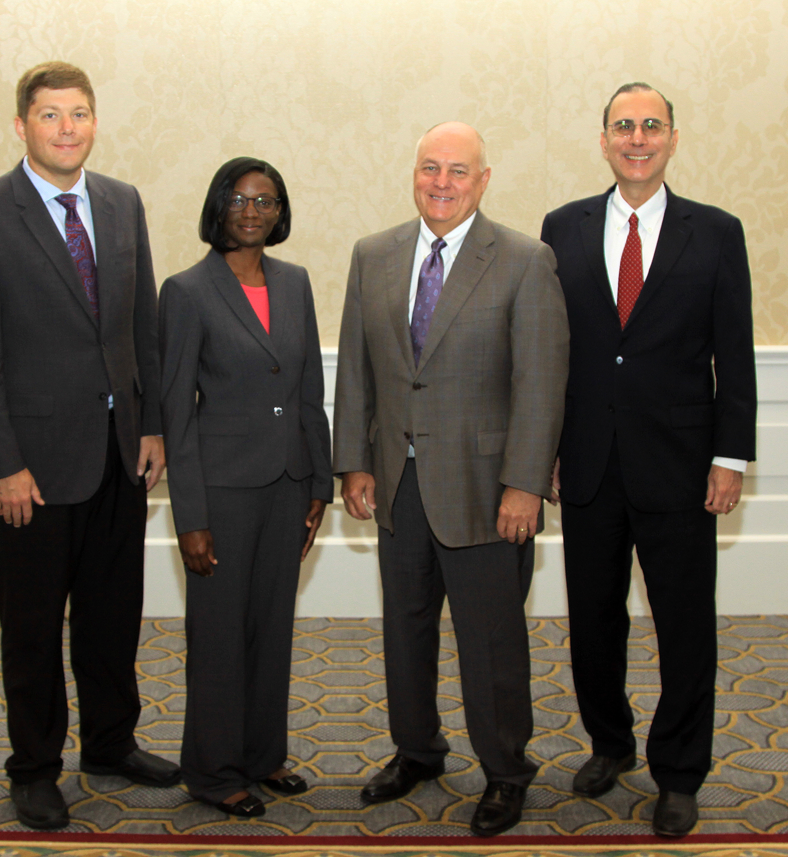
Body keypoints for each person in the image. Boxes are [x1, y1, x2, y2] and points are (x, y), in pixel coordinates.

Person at [0, 61, 180, 831]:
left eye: (78, 113)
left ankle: (110, 742)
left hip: (119, 452)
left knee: (114, 612)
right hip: (33, 466)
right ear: (22, 126)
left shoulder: (121, 201)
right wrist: (1, 463)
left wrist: (152, 422)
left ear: (94, 122)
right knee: (34, 626)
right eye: (49, 115)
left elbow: (140, 324)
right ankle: (35, 766)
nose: (66, 128)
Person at [333, 122, 569, 837]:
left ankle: (505, 771)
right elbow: (357, 370)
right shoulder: (373, 254)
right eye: (430, 168)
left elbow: (541, 384)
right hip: (397, 484)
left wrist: (525, 484)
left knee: (490, 641)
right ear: (414, 174)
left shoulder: (525, 261)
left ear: (483, 180)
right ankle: (417, 749)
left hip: (487, 491)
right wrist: (355, 460)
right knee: (405, 630)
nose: (442, 182)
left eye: (458, 171)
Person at [540, 82, 757, 838]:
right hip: (588, 461)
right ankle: (610, 742)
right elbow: (551, 351)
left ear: (672, 138)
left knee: (684, 626)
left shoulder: (717, 232)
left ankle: (679, 771)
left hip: (683, 465)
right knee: (593, 621)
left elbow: (736, 353)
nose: (637, 138)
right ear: (603, 140)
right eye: (624, 126)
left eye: (651, 126)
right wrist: (546, 451)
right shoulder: (562, 227)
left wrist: (730, 457)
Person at [159, 157, 332, 818]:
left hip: (288, 482)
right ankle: (212, 770)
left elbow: (308, 388)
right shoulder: (186, 290)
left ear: (280, 212)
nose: (252, 211)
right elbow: (177, 413)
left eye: (266, 200)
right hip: (222, 491)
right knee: (219, 635)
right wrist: (189, 517)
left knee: (271, 625)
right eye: (239, 199)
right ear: (218, 207)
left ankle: (263, 755)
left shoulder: (295, 282)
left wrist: (319, 481)